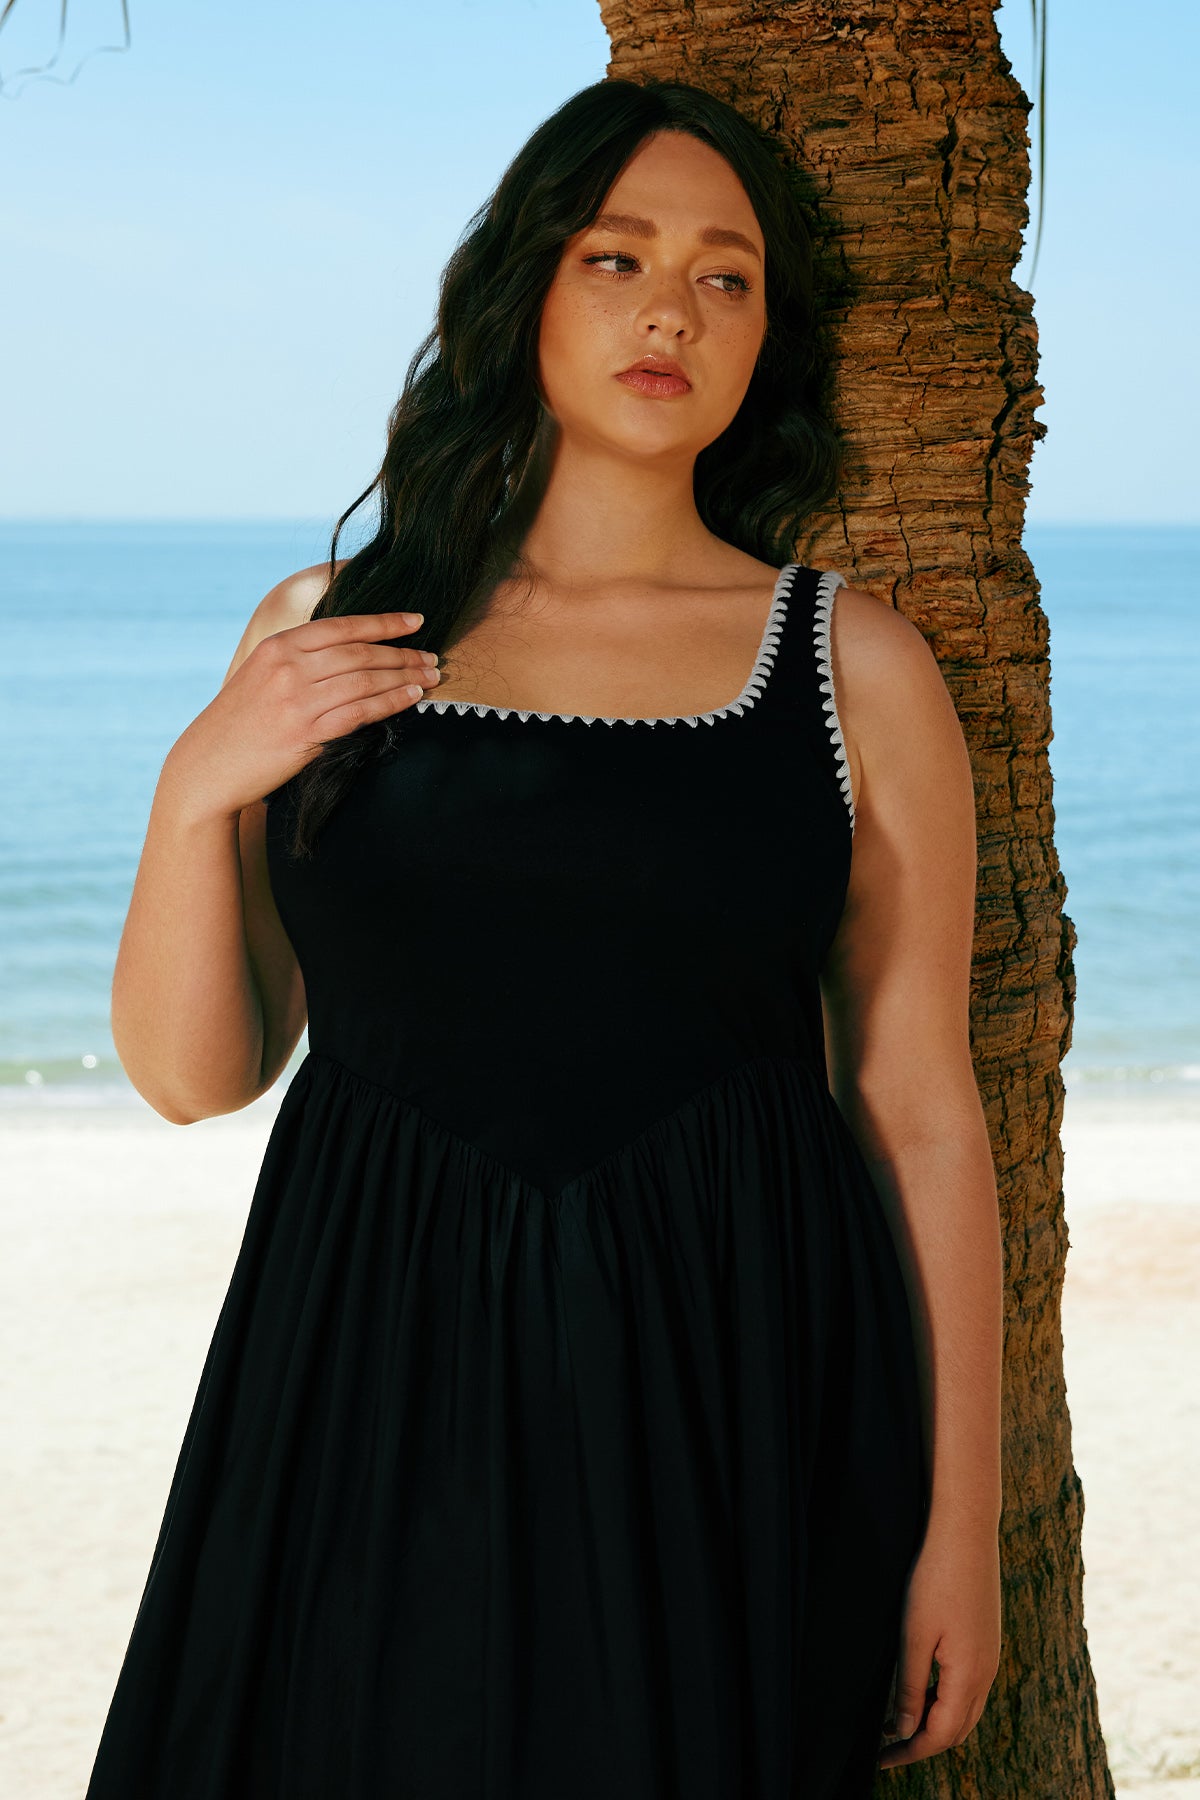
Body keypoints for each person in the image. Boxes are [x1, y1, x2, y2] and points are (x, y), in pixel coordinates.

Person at [87, 76, 1003, 1799]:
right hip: (368, 1353)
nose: (674, 310)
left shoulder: (849, 665)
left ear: (768, 339)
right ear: (525, 291)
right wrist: (193, 783)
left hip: (725, 1370)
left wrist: (960, 1531)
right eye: (617, 256)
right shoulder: (333, 631)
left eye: (727, 277)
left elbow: (921, 1106)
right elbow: (196, 1074)